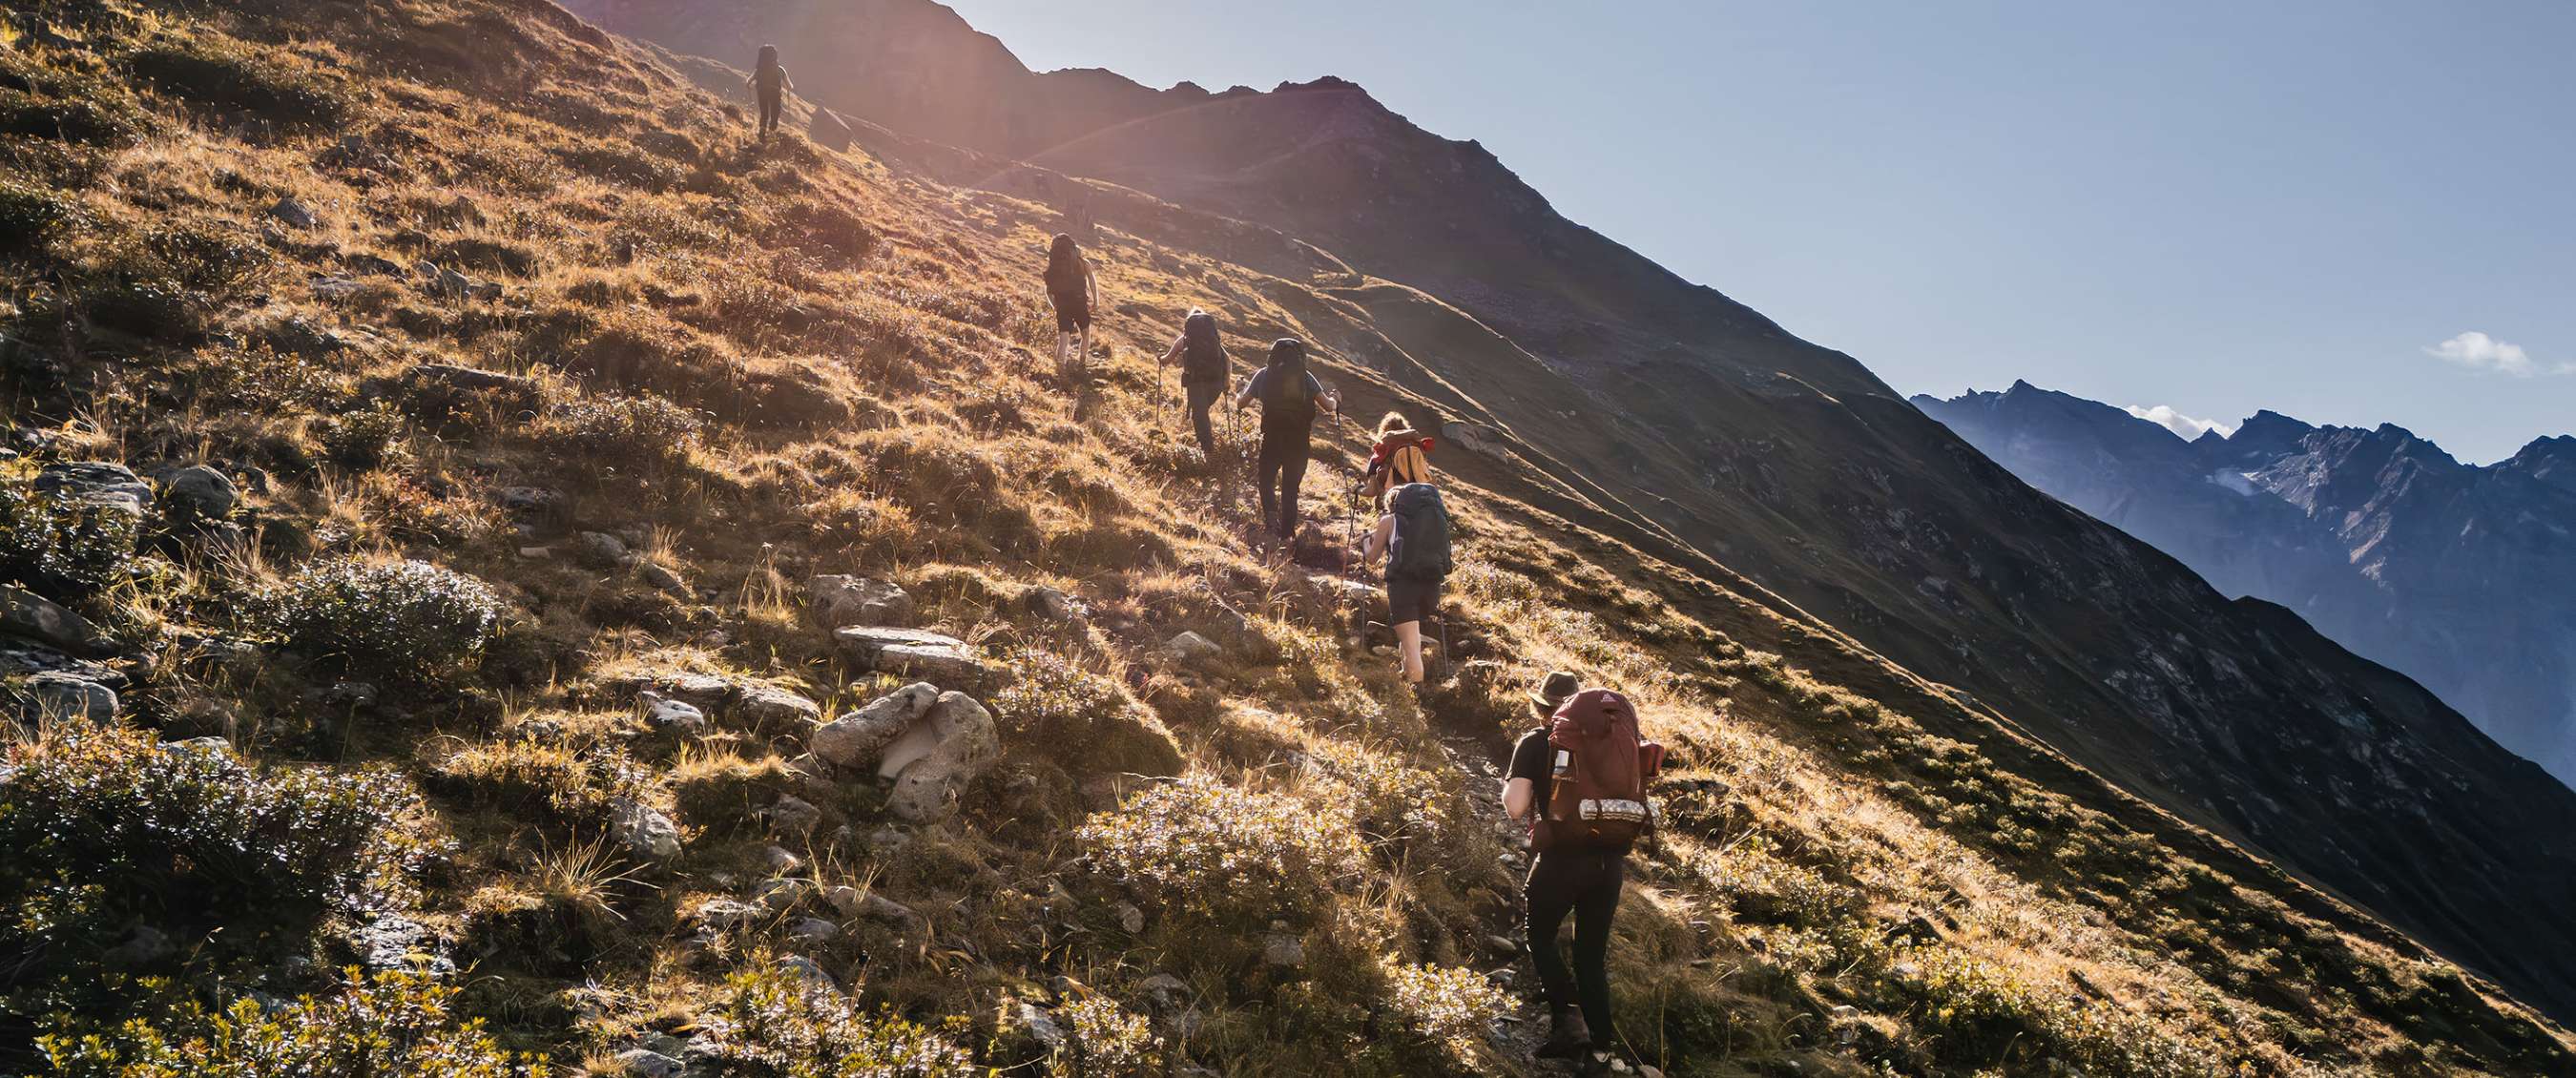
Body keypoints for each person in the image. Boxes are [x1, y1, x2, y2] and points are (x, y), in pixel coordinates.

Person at [1504, 676, 1663, 1072]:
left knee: (1539, 934)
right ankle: (1601, 1052)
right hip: (1609, 865)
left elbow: (1515, 807)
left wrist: (1517, 784)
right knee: (1591, 958)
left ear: (1543, 707)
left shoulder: (1536, 741)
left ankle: (1568, 1018)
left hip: (1560, 860)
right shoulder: (1613, 743)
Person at [1235, 338, 1339, 542]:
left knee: (1266, 481)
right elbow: (1328, 406)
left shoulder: (1263, 375)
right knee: (1290, 489)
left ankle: (1271, 521)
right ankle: (1287, 535)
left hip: (1272, 439)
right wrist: (1336, 399)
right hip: (1298, 442)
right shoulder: (1306, 377)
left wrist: (1239, 389)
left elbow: (1241, 403)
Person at [1359, 477, 1450, 683]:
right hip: (1431, 587)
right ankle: (1405, 675)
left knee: (1411, 647)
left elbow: (1372, 558)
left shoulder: (1389, 520)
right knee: (1410, 638)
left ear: (1392, 503)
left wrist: (1364, 541)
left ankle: (1417, 693)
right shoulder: (1430, 524)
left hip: (1403, 587)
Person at [1159, 309, 1231, 457]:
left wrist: (1160, 358)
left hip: (1196, 382)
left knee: (1199, 415)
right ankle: (1204, 444)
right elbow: (1228, 360)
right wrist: (1226, 381)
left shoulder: (1185, 339)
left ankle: (1207, 451)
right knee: (1201, 413)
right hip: (1216, 383)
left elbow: (1167, 359)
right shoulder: (1214, 340)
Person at [1044, 234, 1098, 381]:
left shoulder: (1054, 265)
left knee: (1064, 339)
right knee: (1085, 334)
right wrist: (1096, 301)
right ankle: (1082, 363)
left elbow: (1048, 291)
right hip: (1080, 303)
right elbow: (1092, 282)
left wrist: (1055, 306)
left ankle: (1060, 370)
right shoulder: (1083, 263)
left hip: (1062, 305)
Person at [1360, 411, 1434, 509]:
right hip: (1419, 504)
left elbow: (1371, 491)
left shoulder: (1380, 454)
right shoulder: (1416, 452)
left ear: (1383, 433)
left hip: (1391, 506)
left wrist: (1357, 489)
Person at [746, 45, 794, 136]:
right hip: (775, 93)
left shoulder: (759, 70)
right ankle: (771, 132)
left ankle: (762, 132)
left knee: (764, 113)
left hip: (762, 92)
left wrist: (750, 87)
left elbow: (748, 82)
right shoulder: (780, 69)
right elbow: (789, 86)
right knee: (775, 114)